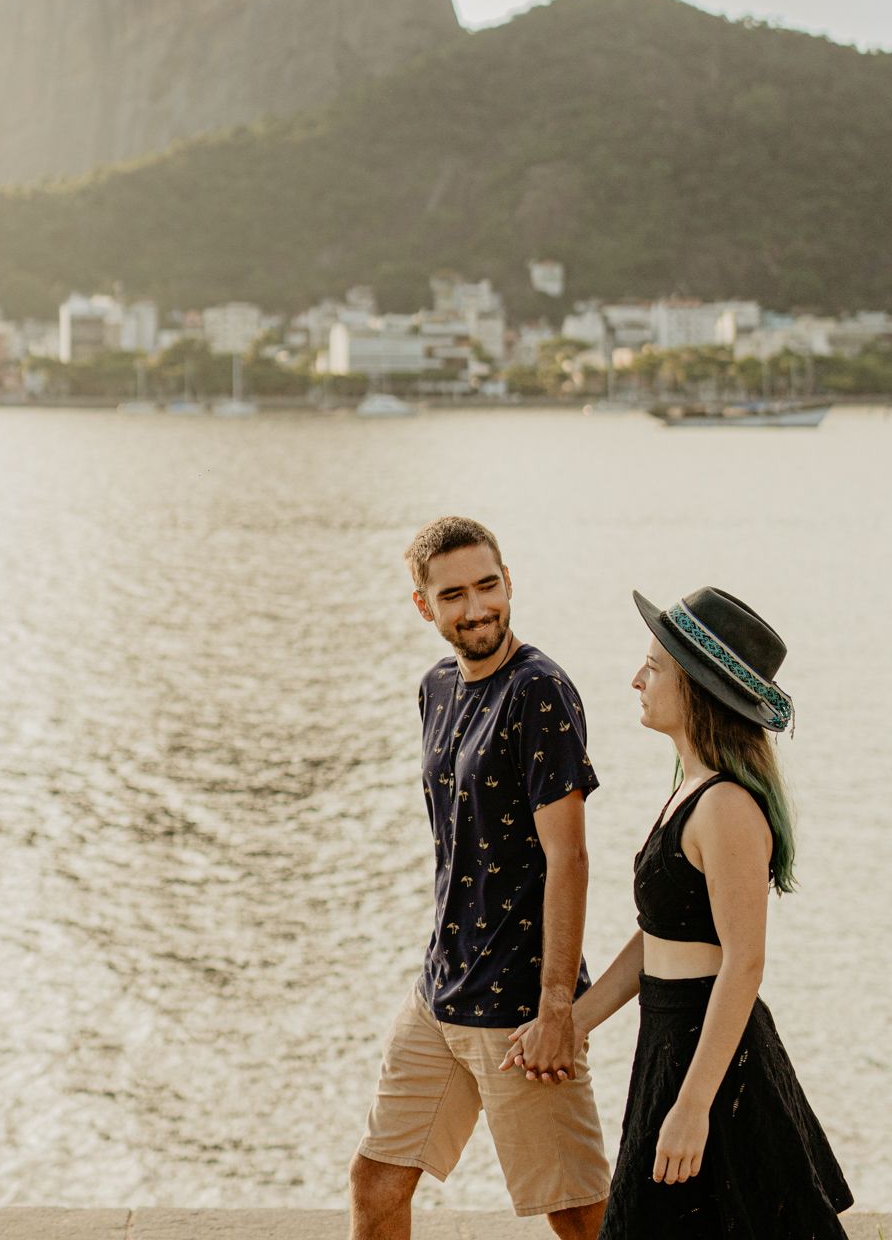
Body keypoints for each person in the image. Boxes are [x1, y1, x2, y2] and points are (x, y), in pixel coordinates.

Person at [505, 587, 852, 1237]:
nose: (635, 679)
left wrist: (692, 1105)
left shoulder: (725, 807)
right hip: (670, 1042)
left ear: (695, 688)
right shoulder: (688, 790)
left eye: (653, 667)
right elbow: (658, 937)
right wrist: (574, 1022)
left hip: (713, 1059)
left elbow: (743, 964)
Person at [348, 515, 609, 1239]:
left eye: (488, 586)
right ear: (423, 605)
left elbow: (569, 858)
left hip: (518, 1008)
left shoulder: (540, 690)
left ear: (508, 584)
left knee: (578, 1214)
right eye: (453, 594)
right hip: (439, 994)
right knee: (376, 1181)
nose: (476, 609)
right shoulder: (434, 688)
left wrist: (557, 1007)